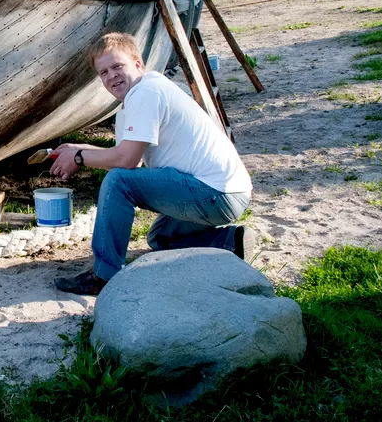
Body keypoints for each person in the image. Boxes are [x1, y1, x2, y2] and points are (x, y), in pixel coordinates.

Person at [50, 32, 256, 295]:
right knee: (160, 238)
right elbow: (124, 156)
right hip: (229, 194)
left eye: (117, 66)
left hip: (214, 192)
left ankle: (103, 276)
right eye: (103, 72)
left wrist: (79, 158)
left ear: (138, 64)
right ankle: (231, 242)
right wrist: (79, 148)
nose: (111, 75)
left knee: (117, 181)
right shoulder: (135, 99)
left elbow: (125, 164)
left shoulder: (146, 92)